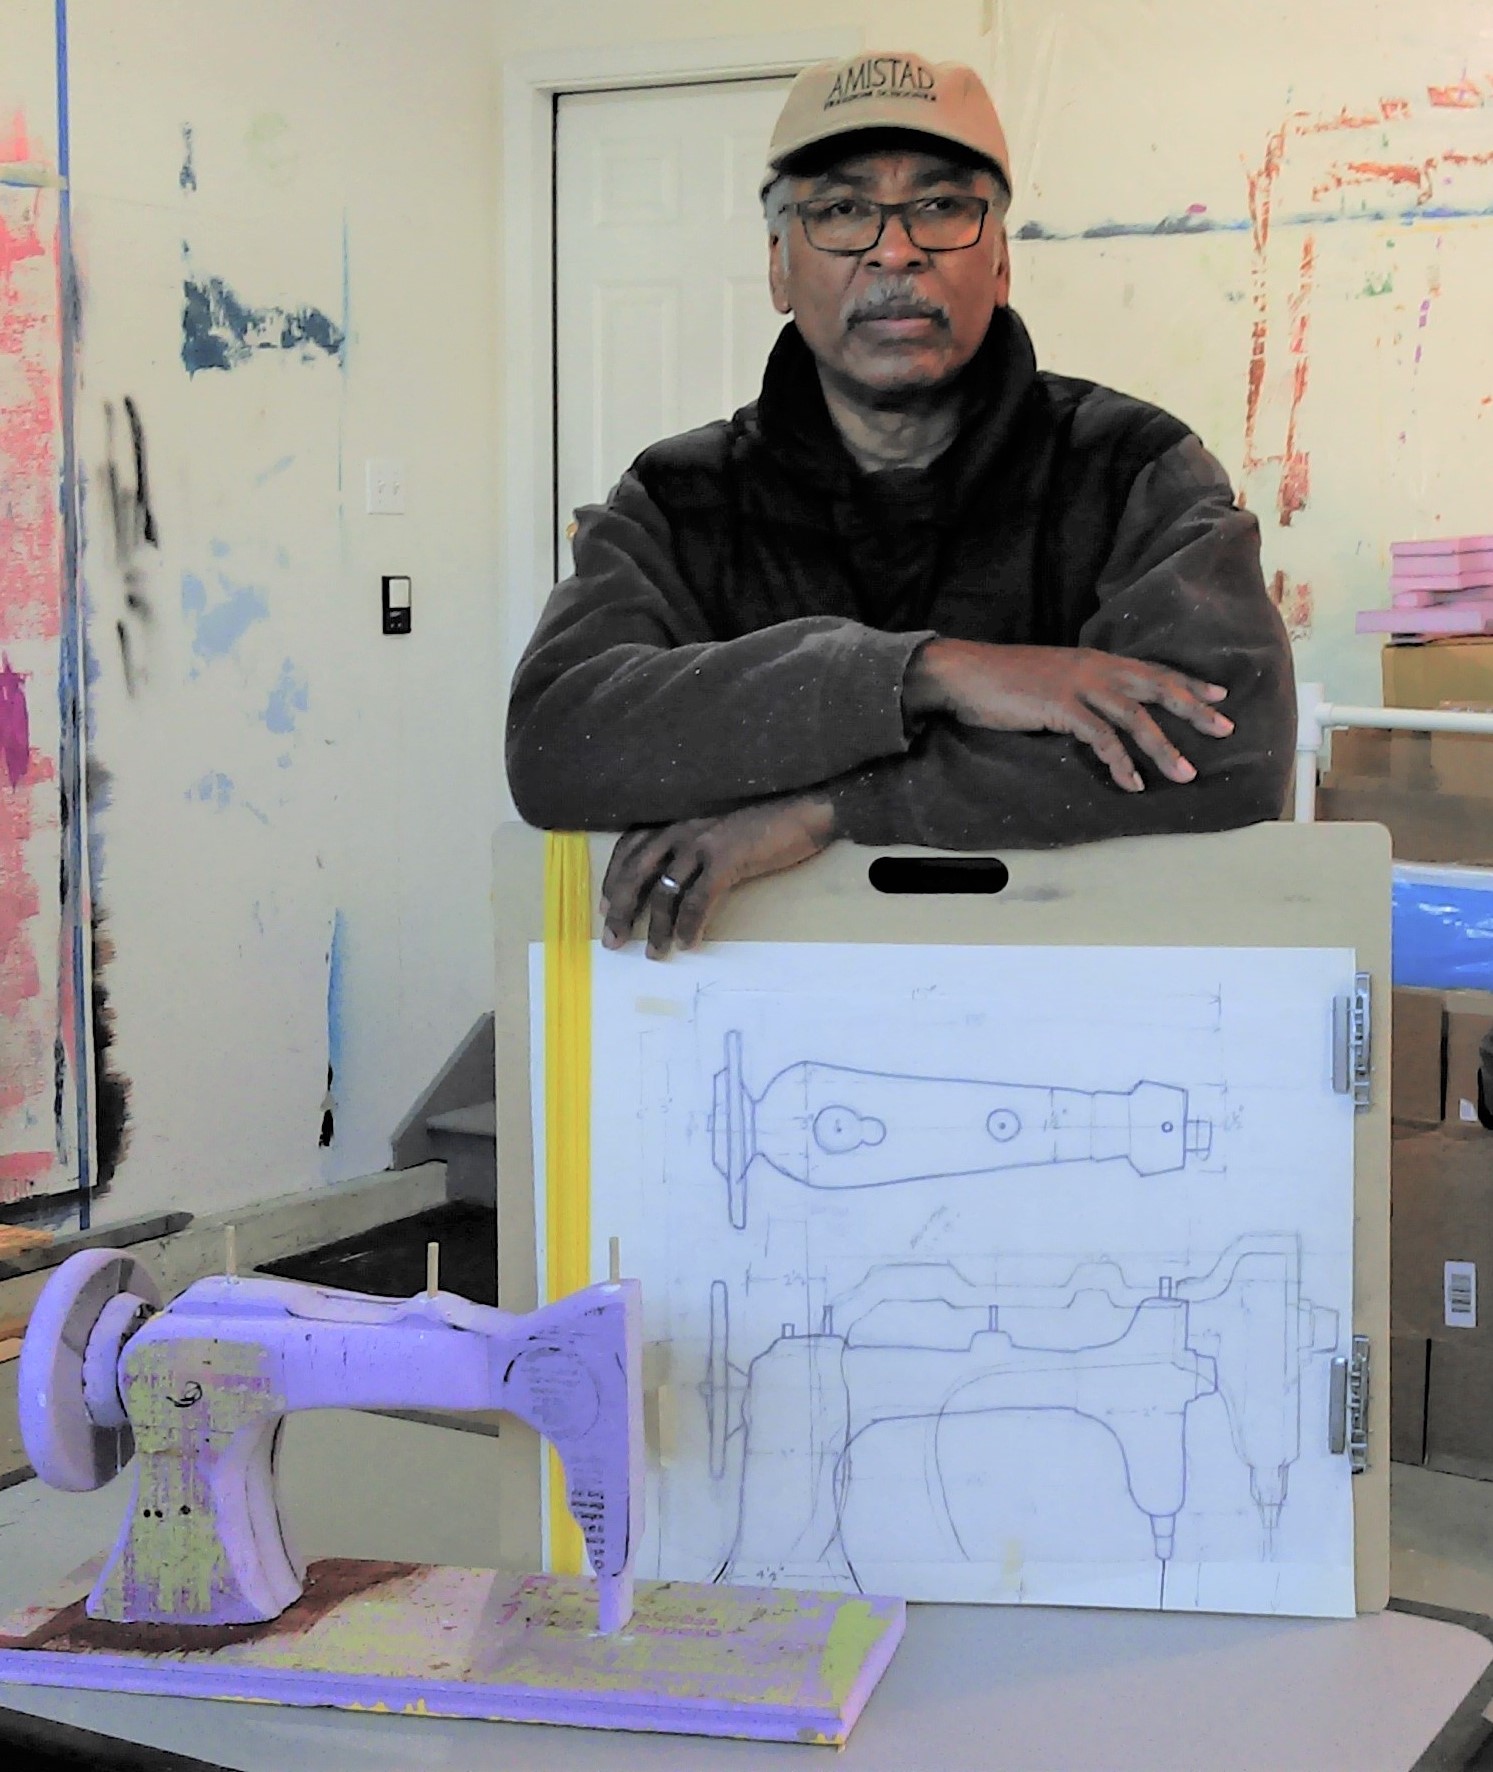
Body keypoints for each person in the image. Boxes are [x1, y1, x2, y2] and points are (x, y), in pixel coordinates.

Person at [507, 51, 1295, 958]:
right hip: (749, 1019)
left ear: (999, 258)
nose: (894, 250)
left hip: (1073, 1011)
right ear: (777, 266)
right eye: (840, 210)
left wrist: (828, 811)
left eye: (940, 206)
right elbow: (560, 745)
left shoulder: (1130, 466)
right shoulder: (681, 497)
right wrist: (925, 672)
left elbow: (1230, 752)